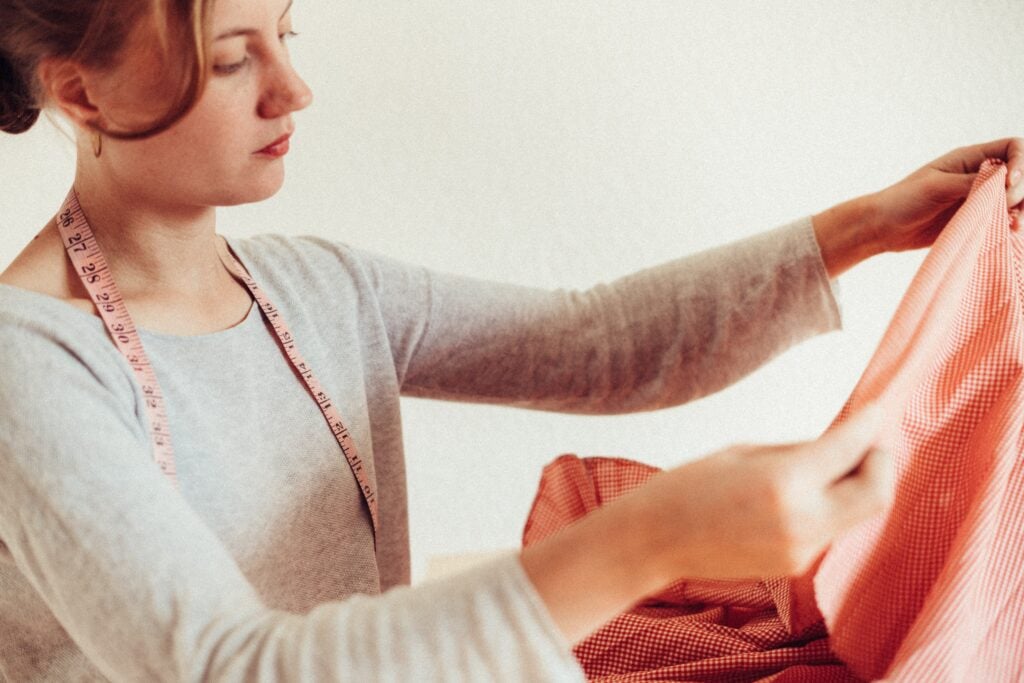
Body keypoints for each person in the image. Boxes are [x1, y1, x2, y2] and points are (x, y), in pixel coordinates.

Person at [0, 0, 1021, 680]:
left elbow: (600, 342)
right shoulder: (29, 366)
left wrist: (868, 225)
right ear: (81, 91)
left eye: (286, 33)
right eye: (232, 61)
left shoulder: (315, 290)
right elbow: (233, 666)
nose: (291, 90)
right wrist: (647, 537)